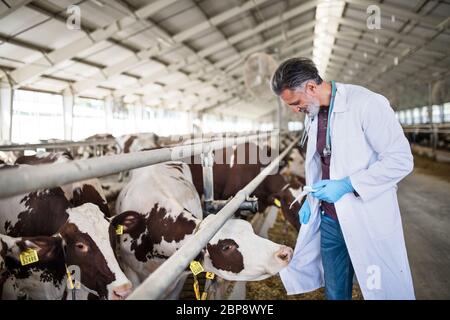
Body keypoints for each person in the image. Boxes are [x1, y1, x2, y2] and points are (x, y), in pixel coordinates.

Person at [270, 57, 415, 300]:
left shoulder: (367, 104)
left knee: (380, 289)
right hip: (329, 218)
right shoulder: (313, 113)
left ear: (311, 87)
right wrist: (311, 199)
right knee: (335, 291)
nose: (296, 109)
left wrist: (349, 184)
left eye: (296, 102)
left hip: (366, 216)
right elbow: (322, 162)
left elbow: (400, 160)